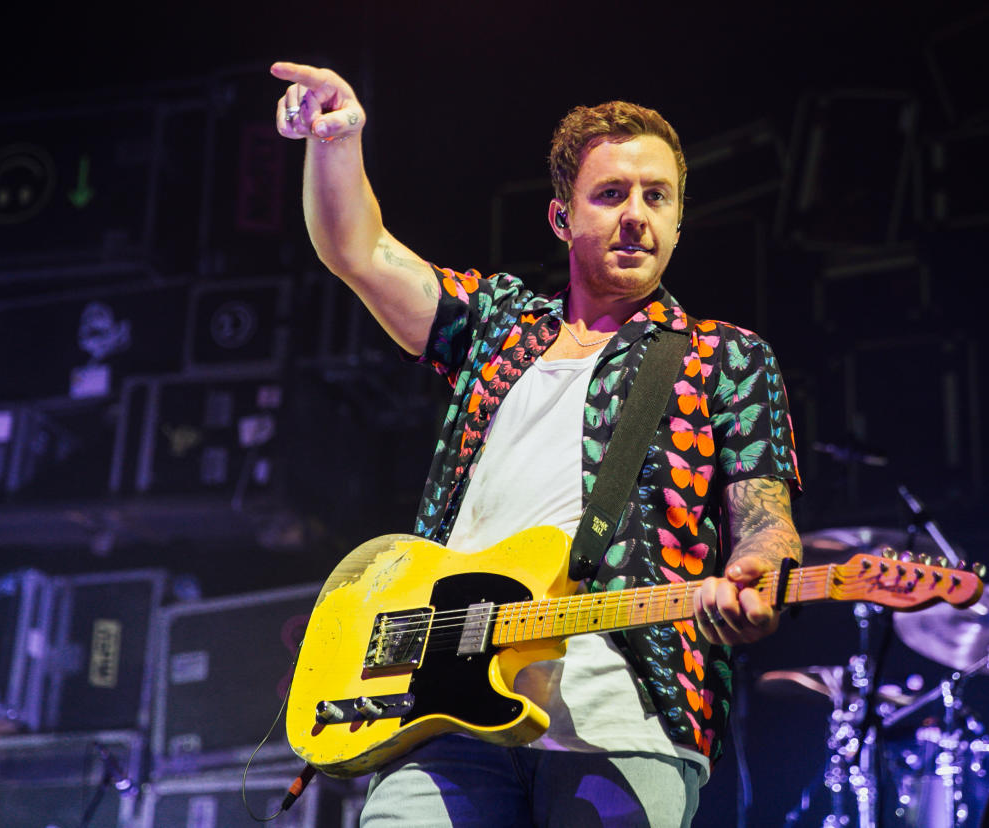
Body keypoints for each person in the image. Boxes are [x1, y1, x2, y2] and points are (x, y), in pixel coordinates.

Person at [271, 61, 803, 827]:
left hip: (623, 716)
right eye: (612, 194)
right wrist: (338, 141)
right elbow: (357, 249)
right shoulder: (497, 326)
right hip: (444, 708)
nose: (637, 217)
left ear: (681, 220)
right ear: (561, 219)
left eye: (658, 198)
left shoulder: (726, 357)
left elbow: (765, 519)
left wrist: (763, 573)